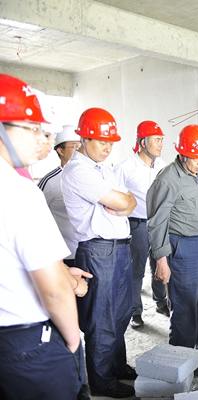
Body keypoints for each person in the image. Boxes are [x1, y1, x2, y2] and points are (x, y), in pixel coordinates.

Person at [0, 74, 91, 399]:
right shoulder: (19, 191)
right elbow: (53, 290)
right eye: (32, 128)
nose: (42, 139)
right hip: (26, 342)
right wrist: (71, 339)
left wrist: (61, 270)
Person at [62, 107, 138, 398]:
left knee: (121, 314)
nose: (108, 148)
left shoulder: (104, 168)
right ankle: (102, 381)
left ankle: (116, 367)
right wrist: (123, 202)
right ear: (84, 139)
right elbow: (120, 201)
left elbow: (129, 201)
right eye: (102, 142)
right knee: (102, 319)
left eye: (111, 143)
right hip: (98, 251)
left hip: (119, 248)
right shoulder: (78, 171)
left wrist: (125, 202)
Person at [147, 125, 198, 376]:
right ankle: (182, 357)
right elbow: (157, 222)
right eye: (196, 158)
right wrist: (162, 260)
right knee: (185, 306)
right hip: (183, 247)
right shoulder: (167, 179)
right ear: (182, 154)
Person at [113, 121, 169, 331]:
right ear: (143, 142)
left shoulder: (164, 166)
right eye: (157, 140)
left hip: (160, 225)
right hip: (137, 225)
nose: (161, 144)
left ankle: (161, 302)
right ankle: (135, 311)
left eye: (162, 140)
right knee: (136, 271)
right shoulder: (124, 168)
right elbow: (114, 197)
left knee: (160, 264)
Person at [38, 125, 81, 266]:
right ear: (61, 151)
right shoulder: (50, 181)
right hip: (66, 254)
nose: (79, 150)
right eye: (74, 146)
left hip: (91, 251)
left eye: (81, 145)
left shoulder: (91, 176)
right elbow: (34, 214)